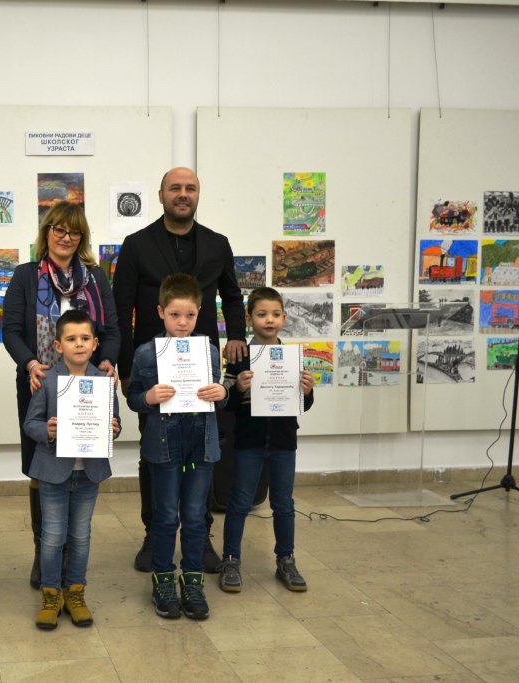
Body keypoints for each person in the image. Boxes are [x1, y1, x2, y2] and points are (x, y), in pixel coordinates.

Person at [112, 166, 247, 573]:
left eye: (190, 188)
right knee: (154, 453)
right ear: (161, 195)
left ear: (198, 195)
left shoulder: (218, 244)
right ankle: (154, 533)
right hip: (152, 369)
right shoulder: (136, 245)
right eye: (175, 188)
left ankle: (200, 536)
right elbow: (121, 307)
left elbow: (232, 296)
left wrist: (236, 336)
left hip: (202, 368)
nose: (183, 194)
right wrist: (125, 368)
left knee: (201, 451)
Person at [3, 202, 120, 589]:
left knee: (82, 467)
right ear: (47, 232)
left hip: (87, 387)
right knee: (41, 466)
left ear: (81, 237)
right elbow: (12, 331)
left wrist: (108, 361)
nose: (66, 237)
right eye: (59, 229)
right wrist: (30, 364)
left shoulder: (96, 278)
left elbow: (112, 330)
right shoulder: (25, 275)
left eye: (74, 231)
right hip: (40, 384)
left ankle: (71, 554)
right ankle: (45, 551)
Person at [127, 273, 227, 620]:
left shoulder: (209, 351)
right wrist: (148, 397)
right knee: (166, 517)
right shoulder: (145, 353)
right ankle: (164, 580)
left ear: (199, 313)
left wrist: (222, 393)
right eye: (174, 315)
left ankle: (193, 581)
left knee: (196, 517)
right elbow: (133, 398)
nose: (182, 322)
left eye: (190, 315)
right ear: (160, 312)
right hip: (164, 446)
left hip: (201, 445)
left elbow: (219, 395)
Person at [24, 310, 121, 629]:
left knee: (80, 536)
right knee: (53, 536)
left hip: (88, 473)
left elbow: (116, 424)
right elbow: (30, 423)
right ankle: (51, 594)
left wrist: (114, 428)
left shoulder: (104, 381)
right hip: (53, 472)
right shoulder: (47, 380)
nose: (79, 344)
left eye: (85, 338)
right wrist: (47, 431)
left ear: (95, 344)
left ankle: (75, 593)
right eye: (71, 339)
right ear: (58, 345)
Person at [219, 287, 315, 593]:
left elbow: (303, 405)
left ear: (284, 318)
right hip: (249, 442)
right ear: (249, 319)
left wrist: (308, 391)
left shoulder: (292, 357)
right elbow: (226, 404)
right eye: (261, 314)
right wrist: (238, 388)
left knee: (283, 504)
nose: (269, 320)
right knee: (240, 502)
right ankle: (231, 560)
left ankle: (286, 559)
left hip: (284, 443)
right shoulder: (240, 358)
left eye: (275, 314)